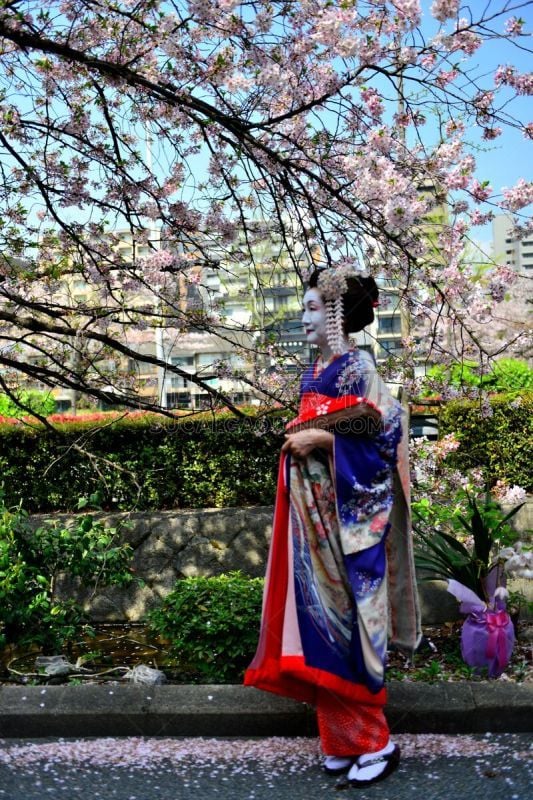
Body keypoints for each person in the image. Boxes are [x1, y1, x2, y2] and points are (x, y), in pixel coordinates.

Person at [244, 266, 421, 786]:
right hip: (313, 514)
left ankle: (376, 743)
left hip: (349, 517)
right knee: (319, 619)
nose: (304, 318)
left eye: (313, 308)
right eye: (303, 307)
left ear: (338, 314)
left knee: (348, 619)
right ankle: (341, 741)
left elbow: (388, 432)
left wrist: (323, 441)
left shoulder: (358, 365)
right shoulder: (316, 370)